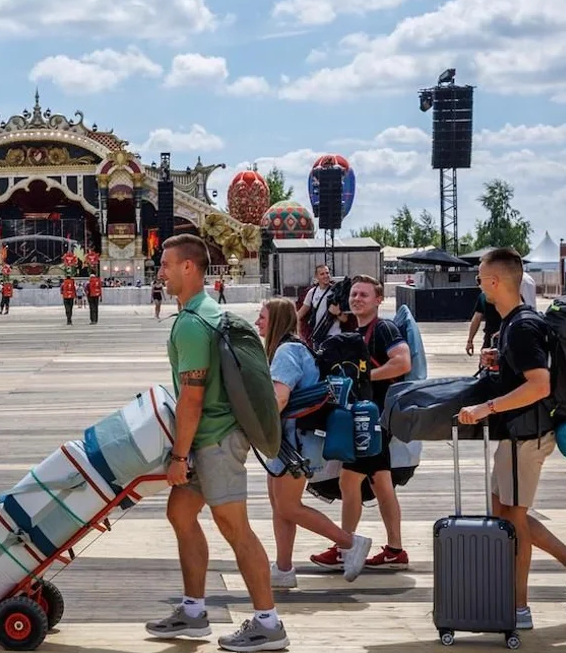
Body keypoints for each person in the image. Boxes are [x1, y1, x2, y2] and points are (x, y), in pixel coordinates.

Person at [145, 234, 287, 652]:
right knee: (180, 514)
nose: (161, 272)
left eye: (167, 264)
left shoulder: (192, 324)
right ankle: (193, 612)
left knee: (234, 528)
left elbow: (192, 398)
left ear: (188, 267)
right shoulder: (207, 312)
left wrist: (179, 456)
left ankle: (269, 624)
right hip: (205, 438)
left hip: (215, 441)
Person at [457, 248, 566, 631]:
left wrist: (487, 408)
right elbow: (528, 373)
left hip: (525, 436)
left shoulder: (521, 326)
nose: (478, 284)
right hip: (516, 434)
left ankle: (519, 608)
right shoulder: (514, 323)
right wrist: (500, 363)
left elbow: (540, 385)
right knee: (505, 516)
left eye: (479, 277)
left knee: (513, 520)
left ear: (495, 282)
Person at [255, 298, 372, 590]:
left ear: (276, 321)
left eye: (262, 317)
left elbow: (279, 398)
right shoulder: (294, 348)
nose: (257, 322)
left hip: (296, 442)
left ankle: (350, 542)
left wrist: (253, 425)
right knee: (280, 505)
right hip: (290, 439)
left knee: (288, 505)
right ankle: (283, 569)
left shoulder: (286, 351)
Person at [310, 275, 410, 573]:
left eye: (364, 295)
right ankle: (394, 550)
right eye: (354, 294)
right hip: (369, 417)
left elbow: (402, 362)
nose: (357, 299)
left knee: (350, 480)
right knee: (381, 482)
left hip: (374, 418)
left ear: (379, 300)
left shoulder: (383, 329)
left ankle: (345, 548)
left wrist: (363, 378)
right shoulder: (356, 331)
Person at [295, 264, 339, 348]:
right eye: (322, 274)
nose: (326, 276)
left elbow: (345, 318)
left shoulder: (336, 291)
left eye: (327, 273)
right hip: (319, 336)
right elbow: (301, 313)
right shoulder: (312, 292)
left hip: (334, 335)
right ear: (316, 277)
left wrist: (338, 312)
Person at [466, 288, 502, 355]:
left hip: (503, 336)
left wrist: (470, 341)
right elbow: (477, 318)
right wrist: (470, 341)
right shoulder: (483, 296)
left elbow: (477, 318)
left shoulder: (484, 296)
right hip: (492, 338)